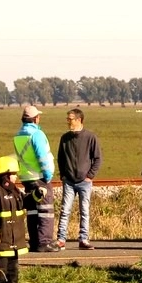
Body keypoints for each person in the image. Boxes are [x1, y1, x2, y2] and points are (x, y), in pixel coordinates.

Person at [55, 108, 102, 251]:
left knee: (84, 211)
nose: (68, 121)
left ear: (79, 120)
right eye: (67, 119)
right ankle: (61, 239)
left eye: (70, 119)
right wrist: (63, 175)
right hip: (69, 181)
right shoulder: (65, 138)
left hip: (84, 182)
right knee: (65, 210)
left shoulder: (90, 137)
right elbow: (60, 158)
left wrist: (90, 176)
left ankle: (83, 239)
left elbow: (97, 158)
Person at [13, 105, 57, 253]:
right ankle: (44, 242)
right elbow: (42, 156)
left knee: (32, 211)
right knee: (45, 211)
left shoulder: (18, 135)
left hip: (26, 178)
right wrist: (48, 175)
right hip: (39, 177)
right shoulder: (37, 134)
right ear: (36, 118)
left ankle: (34, 241)